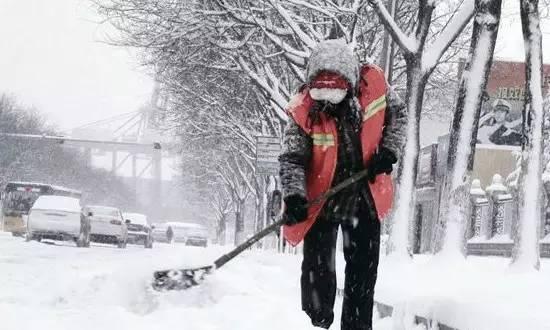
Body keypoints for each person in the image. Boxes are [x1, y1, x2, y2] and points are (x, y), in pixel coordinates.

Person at [279, 39, 407, 330]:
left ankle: (357, 326)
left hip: (364, 194)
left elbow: (399, 116)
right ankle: (317, 317)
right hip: (321, 197)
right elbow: (291, 158)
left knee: (362, 273)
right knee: (317, 271)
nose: (326, 104)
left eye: (333, 97)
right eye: (320, 97)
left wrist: (388, 151)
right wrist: (295, 195)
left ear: (349, 86)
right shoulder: (302, 109)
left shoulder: (374, 87)